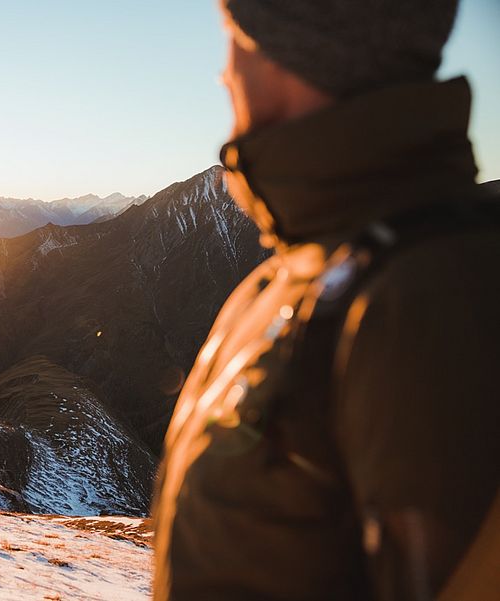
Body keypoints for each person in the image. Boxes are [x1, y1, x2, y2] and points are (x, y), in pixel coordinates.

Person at [152, 1, 500, 599]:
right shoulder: (290, 275)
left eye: (234, 37)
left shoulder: (430, 299)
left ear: (285, 49)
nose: (224, 73)